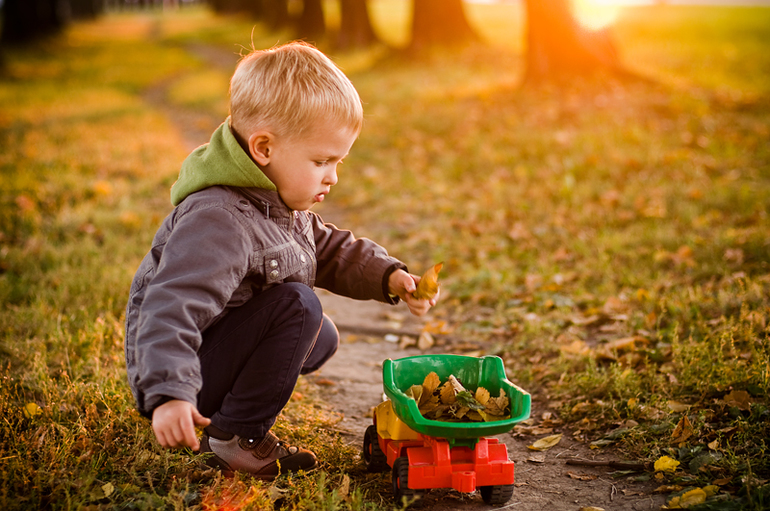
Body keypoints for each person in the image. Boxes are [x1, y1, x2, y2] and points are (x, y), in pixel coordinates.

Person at [124, 41, 439, 480]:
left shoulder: (274, 201)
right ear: (264, 149)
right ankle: (234, 436)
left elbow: (326, 246)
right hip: (187, 374)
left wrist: (389, 275)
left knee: (319, 335)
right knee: (299, 307)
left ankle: (232, 407)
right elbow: (169, 308)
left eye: (338, 161)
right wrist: (169, 393)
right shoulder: (219, 219)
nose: (332, 176)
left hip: (212, 354)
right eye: (321, 161)